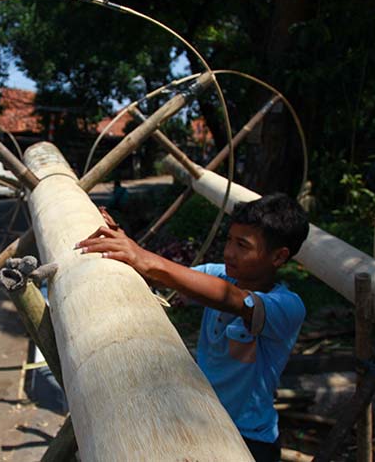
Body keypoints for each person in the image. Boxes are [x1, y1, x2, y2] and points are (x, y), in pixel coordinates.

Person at [74, 193, 310, 462]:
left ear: (278, 257)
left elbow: (232, 299)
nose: (229, 252)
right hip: (202, 418)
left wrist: (145, 258)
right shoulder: (219, 273)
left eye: (242, 245)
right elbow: (170, 276)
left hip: (249, 438)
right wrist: (122, 241)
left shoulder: (287, 307)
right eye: (230, 240)